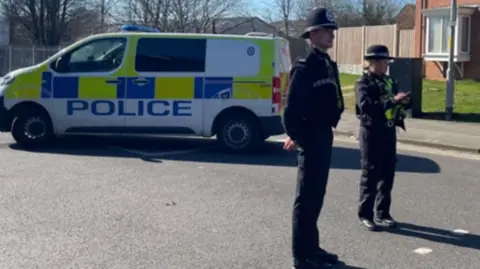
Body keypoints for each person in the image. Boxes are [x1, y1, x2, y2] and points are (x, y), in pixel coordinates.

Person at [282, 7, 344, 269]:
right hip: (311, 136)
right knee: (306, 198)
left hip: (323, 134)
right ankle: (302, 255)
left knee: (317, 195)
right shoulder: (304, 66)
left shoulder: (327, 64)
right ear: (313, 33)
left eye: (332, 31)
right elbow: (290, 108)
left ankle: (313, 248)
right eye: (327, 31)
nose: (332, 35)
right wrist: (298, 137)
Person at [355, 44, 411, 231]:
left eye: (388, 61)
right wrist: (392, 101)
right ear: (373, 62)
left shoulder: (390, 82)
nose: (387, 64)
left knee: (388, 173)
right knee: (371, 173)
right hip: (371, 132)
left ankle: (383, 212)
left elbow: (395, 105)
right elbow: (367, 107)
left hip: (388, 131)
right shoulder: (364, 83)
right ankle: (365, 214)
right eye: (384, 61)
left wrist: (404, 102)